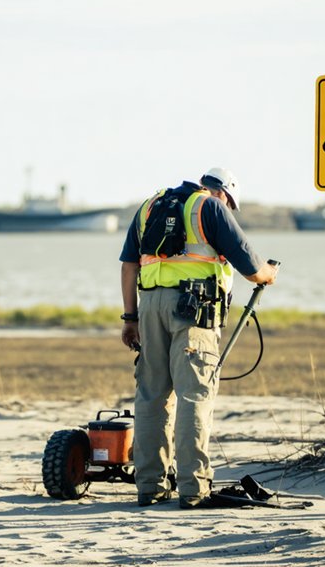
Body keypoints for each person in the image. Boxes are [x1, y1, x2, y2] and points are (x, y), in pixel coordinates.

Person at [118, 167, 278, 509]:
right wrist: (270, 274)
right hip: (193, 311)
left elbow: (129, 266)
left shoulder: (150, 205)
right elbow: (252, 267)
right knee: (194, 395)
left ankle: (150, 486)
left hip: (149, 309)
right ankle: (193, 488)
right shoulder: (210, 208)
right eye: (230, 203)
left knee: (151, 396)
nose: (228, 208)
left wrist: (130, 318)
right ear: (222, 193)